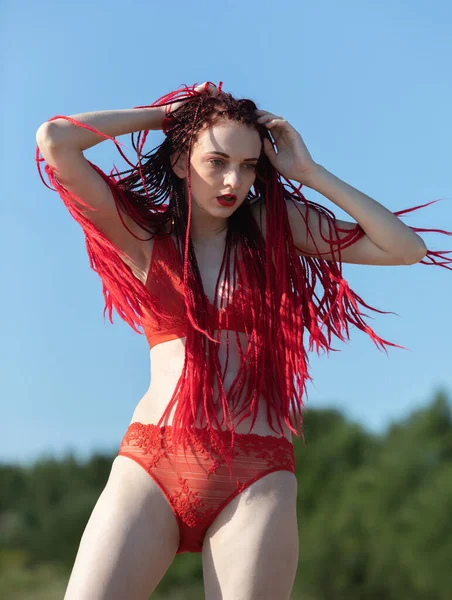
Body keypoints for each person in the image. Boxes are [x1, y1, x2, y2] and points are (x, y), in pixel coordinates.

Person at [35, 81, 451, 600]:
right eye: (217, 161)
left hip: (255, 471)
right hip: (154, 461)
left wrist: (309, 173)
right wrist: (164, 115)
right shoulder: (143, 236)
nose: (234, 179)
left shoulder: (277, 228)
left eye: (249, 165)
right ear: (184, 162)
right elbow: (55, 139)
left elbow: (404, 247)